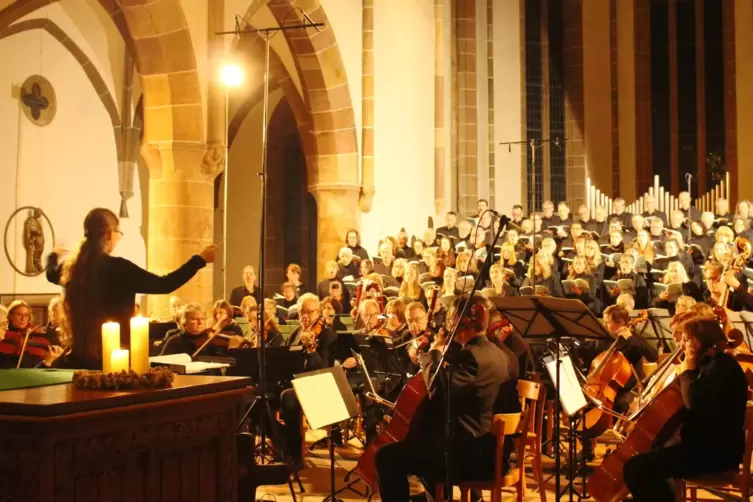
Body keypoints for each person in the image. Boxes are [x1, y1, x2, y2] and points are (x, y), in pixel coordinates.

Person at [374, 295, 511, 501]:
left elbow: (436, 390)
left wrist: (434, 351)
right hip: (488, 450)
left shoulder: (471, 357)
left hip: (465, 456)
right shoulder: (498, 354)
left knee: (386, 457)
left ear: (461, 321)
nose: (448, 324)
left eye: (450, 318)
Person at [46, 208, 215, 369]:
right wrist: (199, 260)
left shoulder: (72, 269)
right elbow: (164, 284)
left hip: (78, 356)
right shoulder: (118, 268)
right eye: (118, 233)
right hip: (115, 356)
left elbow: (51, 273)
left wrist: (53, 256)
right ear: (110, 234)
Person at [623, 317, 748, 501]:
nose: (683, 346)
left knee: (635, 468)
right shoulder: (713, 365)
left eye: (687, 340)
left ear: (701, 341)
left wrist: (687, 369)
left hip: (713, 453)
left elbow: (694, 402)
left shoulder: (721, 368)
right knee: (644, 464)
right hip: (707, 448)